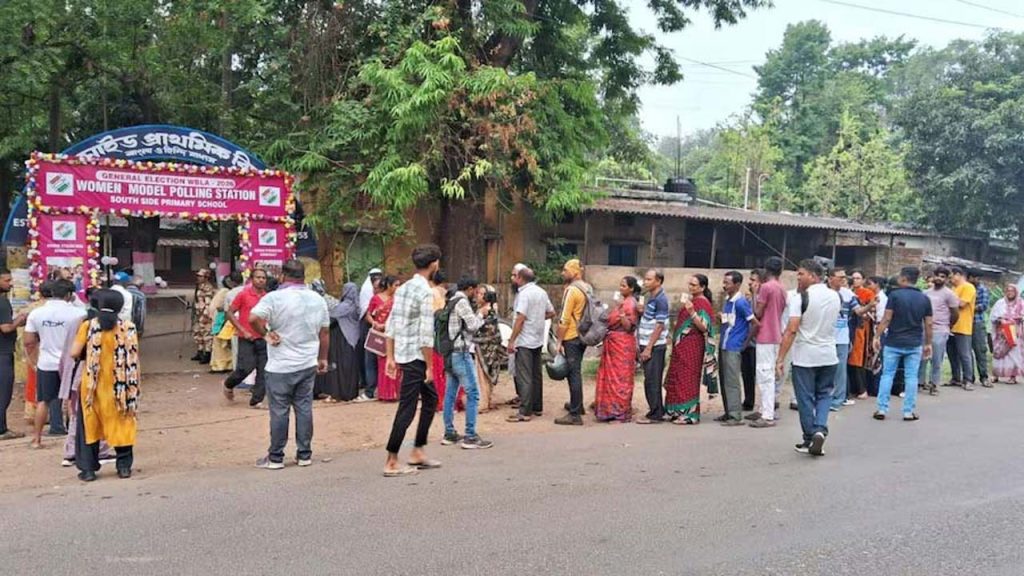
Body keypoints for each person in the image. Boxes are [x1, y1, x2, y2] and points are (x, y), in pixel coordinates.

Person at [249, 260, 330, 470]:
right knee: (304, 408)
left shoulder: (274, 298)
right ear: (303, 277)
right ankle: (304, 454)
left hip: (280, 366)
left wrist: (266, 334)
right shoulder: (317, 299)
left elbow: (253, 318)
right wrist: (323, 358)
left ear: (283, 276)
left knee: (279, 411)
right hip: (307, 363)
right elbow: (324, 332)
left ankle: (276, 457)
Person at [383, 244, 444, 477]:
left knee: (430, 399)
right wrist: (429, 366)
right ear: (434, 264)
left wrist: (390, 356)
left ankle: (417, 450)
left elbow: (392, 324)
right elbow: (426, 333)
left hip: (404, 353)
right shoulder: (425, 292)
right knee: (407, 408)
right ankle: (391, 459)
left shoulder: (404, 288)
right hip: (416, 357)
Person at [70, 289, 140, 481]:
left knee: (89, 426)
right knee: (122, 422)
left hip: (93, 387)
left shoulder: (89, 326)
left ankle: (88, 469)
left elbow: (74, 353)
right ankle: (124, 467)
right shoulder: (129, 327)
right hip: (122, 387)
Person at [777, 260, 840, 456]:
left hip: (805, 357)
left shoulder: (800, 298)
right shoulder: (835, 296)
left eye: (801, 274)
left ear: (813, 276)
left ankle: (809, 437)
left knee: (805, 398)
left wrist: (780, 358)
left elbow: (792, 329)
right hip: (829, 355)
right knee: (824, 395)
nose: (798, 278)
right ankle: (820, 428)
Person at [26, 280, 87, 448]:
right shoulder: (78, 313)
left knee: (43, 401)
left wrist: (34, 361)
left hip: (46, 363)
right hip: (71, 362)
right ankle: (75, 440)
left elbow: (29, 342)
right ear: (69, 295)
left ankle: (37, 439)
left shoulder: (37, 314)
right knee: (72, 400)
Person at [58, 295, 114, 468]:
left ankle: (75, 451)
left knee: (79, 413)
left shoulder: (79, 321)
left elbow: (69, 350)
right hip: (91, 373)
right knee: (91, 413)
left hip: (77, 372)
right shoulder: (96, 324)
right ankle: (90, 451)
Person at [872, 267, 932, 421]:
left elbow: (886, 319)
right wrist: (928, 344)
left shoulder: (894, 296)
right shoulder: (924, 299)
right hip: (914, 343)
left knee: (887, 375)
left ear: (904, 278)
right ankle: (908, 411)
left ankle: (882, 409)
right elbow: (929, 324)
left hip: (893, 342)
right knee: (911, 377)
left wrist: (877, 336)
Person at [440, 276, 493, 449]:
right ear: (470, 289)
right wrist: (481, 314)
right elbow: (473, 325)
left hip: (449, 353)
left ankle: (449, 433)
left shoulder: (450, 300)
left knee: (450, 393)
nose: (476, 294)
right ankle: (470, 436)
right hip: (461, 353)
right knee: (473, 393)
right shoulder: (462, 301)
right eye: (475, 291)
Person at [664, 274, 715, 425]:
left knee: (688, 379)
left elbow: (704, 327)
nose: (691, 287)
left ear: (703, 287)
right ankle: (675, 410)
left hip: (692, 347)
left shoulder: (703, 303)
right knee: (677, 377)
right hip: (681, 347)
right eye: (690, 284)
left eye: (694, 285)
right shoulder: (692, 301)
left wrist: (692, 312)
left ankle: (690, 414)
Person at [506, 267, 555, 422]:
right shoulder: (541, 292)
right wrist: (538, 318)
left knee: (524, 376)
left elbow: (520, 318)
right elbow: (552, 312)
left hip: (525, 340)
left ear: (520, 278)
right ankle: (537, 407)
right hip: (538, 338)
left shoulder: (523, 294)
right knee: (536, 375)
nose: (513, 279)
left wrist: (512, 340)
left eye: (515, 277)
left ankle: (525, 411)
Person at [594, 276, 640, 423]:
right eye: (620, 285)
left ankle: (620, 411)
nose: (621, 288)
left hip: (623, 344)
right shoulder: (622, 301)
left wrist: (620, 311)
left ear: (631, 288)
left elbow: (628, 327)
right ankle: (608, 409)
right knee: (610, 377)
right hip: (612, 343)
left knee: (621, 379)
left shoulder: (631, 304)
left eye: (624, 286)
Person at [223, 268, 269, 407]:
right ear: (251, 279)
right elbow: (230, 313)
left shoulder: (267, 297)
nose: (261, 280)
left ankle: (257, 400)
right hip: (246, 337)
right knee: (245, 368)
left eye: (263, 278)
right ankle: (228, 384)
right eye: (258, 277)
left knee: (263, 370)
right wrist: (242, 329)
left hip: (262, 336)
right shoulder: (243, 295)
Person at [716, 271, 757, 426]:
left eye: (728, 283)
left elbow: (754, 323)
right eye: (724, 282)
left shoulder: (740, 302)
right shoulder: (728, 301)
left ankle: (735, 415)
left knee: (732, 381)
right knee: (724, 379)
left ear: (737, 284)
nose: (724, 285)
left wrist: (745, 343)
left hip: (734, 346)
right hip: (725, 344)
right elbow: (729, 322)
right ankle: (728, 412)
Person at [751, 257, 788, 427]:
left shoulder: (766, 288)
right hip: (776, 334)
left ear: (767, 270)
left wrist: (754, 295)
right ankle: (767, 409)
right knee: (769, 374)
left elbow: (758, 312)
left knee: (764, 374)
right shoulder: (782, 288)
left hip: (765, 333)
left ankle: (767, 414)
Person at [554, 259, 589, 426]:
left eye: (565, 270)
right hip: (583, 335)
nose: (563, 273)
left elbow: (564, 319)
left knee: (573, 373)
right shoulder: (586, 287)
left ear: (575, 272)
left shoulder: (572, 290)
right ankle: (578, 404)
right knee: (576, 371)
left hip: (571, 336)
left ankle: (575, 414)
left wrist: (559, 341)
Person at [316, 283, 362, 403]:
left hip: (343, 340)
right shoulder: (357, 306)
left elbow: (329, 319)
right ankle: (351, 392)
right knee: (352, 368)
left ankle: (338, 393)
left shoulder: (344, 306)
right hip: (354, 340)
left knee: (340, 367)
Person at [637, 269, 670, 424]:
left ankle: (656, 414)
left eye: (649, 279)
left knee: (653, 380)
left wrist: (649, 347)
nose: (646, 282)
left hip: (655, 346)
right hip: (647, 344)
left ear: (658, 281)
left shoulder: (661, 299)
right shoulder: (650, 297)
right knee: (649, 379)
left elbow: (659, 325)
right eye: (646, 279)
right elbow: (650, 318)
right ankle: (656, 410)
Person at [920, 267, 959, 395]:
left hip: (940, 329)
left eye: (942, 276)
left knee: (936, 358)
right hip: (925, 328)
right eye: (937, 275)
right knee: (922, 357)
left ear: (947, 279)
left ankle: (934, 384)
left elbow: (955, 313)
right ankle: (920, 382)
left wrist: (949, 325)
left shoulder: (949, 294)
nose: (939, 278)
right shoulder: (926, 293)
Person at [0, 269, 27, 440]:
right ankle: (1, 429)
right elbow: (6, 328)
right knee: (3, 392)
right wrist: (20, 319)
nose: (10, 283)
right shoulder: (2, 303)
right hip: (3, 353)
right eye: (7, 280)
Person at [368, 276, 402, 401]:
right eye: (396, 285)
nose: (398, 288)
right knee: (383, 363)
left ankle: (396, 392)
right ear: (388, 285)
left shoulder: (398, 300)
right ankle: (385, 393)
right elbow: (369, 314)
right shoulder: (376, 298)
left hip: (395, 334)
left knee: (396, 361)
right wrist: (375, 324)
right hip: (380, 335)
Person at [828, 268, 857, 411]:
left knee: (840, 371)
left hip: (842, 338)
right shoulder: (824, 293)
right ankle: (824, 398)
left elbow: (858, 311)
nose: (843, 280)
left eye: (844, 277)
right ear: (830, 278)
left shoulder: (848, 294)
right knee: (825, 369)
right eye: (840, 277)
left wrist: (869, 306)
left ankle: (837, 400)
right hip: (826, 337)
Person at [473, 284, 504, 413]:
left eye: (481, 294)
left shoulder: (485, 310)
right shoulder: (491, 308)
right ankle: (487, 400)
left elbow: (481, 329)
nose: (478, 296)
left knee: (482, 374)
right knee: (487, 373)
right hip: (490, 346)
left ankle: (484, 403)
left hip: (485, 347)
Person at [848, 272, 878, 400]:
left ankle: (862, 389)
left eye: (858, 278)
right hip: (848, 327)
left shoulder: (867, 293)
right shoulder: (847, 292)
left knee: (857, 358)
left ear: (863, 280)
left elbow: (871, 311)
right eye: (853, 278)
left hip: (861, 329)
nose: (855, 280)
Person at [356, 268, 383, 402]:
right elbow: (367, 313)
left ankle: (385, 390)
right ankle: (370, 389)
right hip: (372, 330)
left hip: (386, 331)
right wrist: (375, 324)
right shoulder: (370, 296)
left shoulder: (389, 298)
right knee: (370, 360)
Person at [949, 267, 977, 391]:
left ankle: (968, 379)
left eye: (951, 277)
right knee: (952, 354)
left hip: (963, 326)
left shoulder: (968, 287)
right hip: (950, 326)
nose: (950, 279)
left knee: (964, 354)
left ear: (958, 275)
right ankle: (956, 377)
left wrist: (947, 299)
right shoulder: (954, 289)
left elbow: (962, 304)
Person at [990, 283, 1024, 384]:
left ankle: (1012, 377)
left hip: (1015, 333)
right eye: (1008, 291)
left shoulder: (1021, 303)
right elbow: (993, 316)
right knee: (998, 354)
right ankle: (996, 376)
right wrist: (1000, 319)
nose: (1010, 293)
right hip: (1001, 334)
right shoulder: (1000, 303)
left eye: (1012, 291)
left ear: (1016, 292)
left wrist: (1017, 319)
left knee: (1013, 355)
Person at [741, 269, 762, 413]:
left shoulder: (761, 299)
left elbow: (757, 315)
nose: (750, 282)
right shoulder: (748, 299)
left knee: (759, 374)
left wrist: (754, 294)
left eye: (754, 280)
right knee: (746, 373)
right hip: (748, 341)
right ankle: (749, 401)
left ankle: (764, 405)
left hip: (757, 342)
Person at [208, 274, 238, 373]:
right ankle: (222, 365)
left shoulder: (224, 291)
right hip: (221, 319)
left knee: (221, 344)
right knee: (222, 344)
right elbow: (221, 307)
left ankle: (222, 365)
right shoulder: (225, 292)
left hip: (219, 319)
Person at [968, 272, 991, 387]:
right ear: (969, 278)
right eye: (974, 277)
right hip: (965, 323)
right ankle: (969, 377)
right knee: (967, 352)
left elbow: (983, 306)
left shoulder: (982, 289)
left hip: (977, 322)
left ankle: (984, 377)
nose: (976, 279)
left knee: (980, 350)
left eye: (978, 278)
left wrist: (968, 306)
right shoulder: (966, 288)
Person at [191, 269, 216, 364]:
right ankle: (200, 351)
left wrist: (206, 314)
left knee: (206, 334)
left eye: (201, 276)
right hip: (198, 313)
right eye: (198, 276)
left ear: (206, 277)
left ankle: (208, 354)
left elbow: (208, 303)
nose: (198, 278)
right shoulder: (199, 286)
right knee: (197, 333)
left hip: (204, 314)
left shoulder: (208, 288)